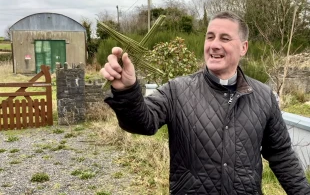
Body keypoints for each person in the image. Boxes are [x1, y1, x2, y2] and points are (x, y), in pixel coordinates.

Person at [100, 11, 310, 195]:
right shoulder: (177, 90)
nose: (214, 44)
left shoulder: (263, 96)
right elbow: (141, 123)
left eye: (225, 38)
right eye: (210, 37)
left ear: (243, 47)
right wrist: (127, 91)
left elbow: (281, 154)